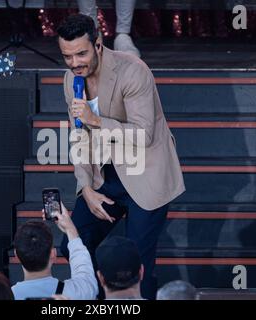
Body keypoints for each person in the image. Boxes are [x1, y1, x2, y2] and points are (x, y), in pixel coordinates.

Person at [57, 14, 185, 300]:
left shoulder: (133, 71)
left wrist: (97, 119)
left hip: (146, 171)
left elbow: (144, 135)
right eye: (68, 56)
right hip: (108, 174)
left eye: (81, 53)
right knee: (73, 244)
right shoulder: (70, 80)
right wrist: (86, 188)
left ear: (98, 45)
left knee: (137, 262)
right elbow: (79, 136)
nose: (75, 63)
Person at [11, 202, 98, 300]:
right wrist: (70, 230)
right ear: (53, 254)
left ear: (16, 255)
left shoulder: (4, 296)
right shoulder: (78, 293)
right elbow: (84, 271)